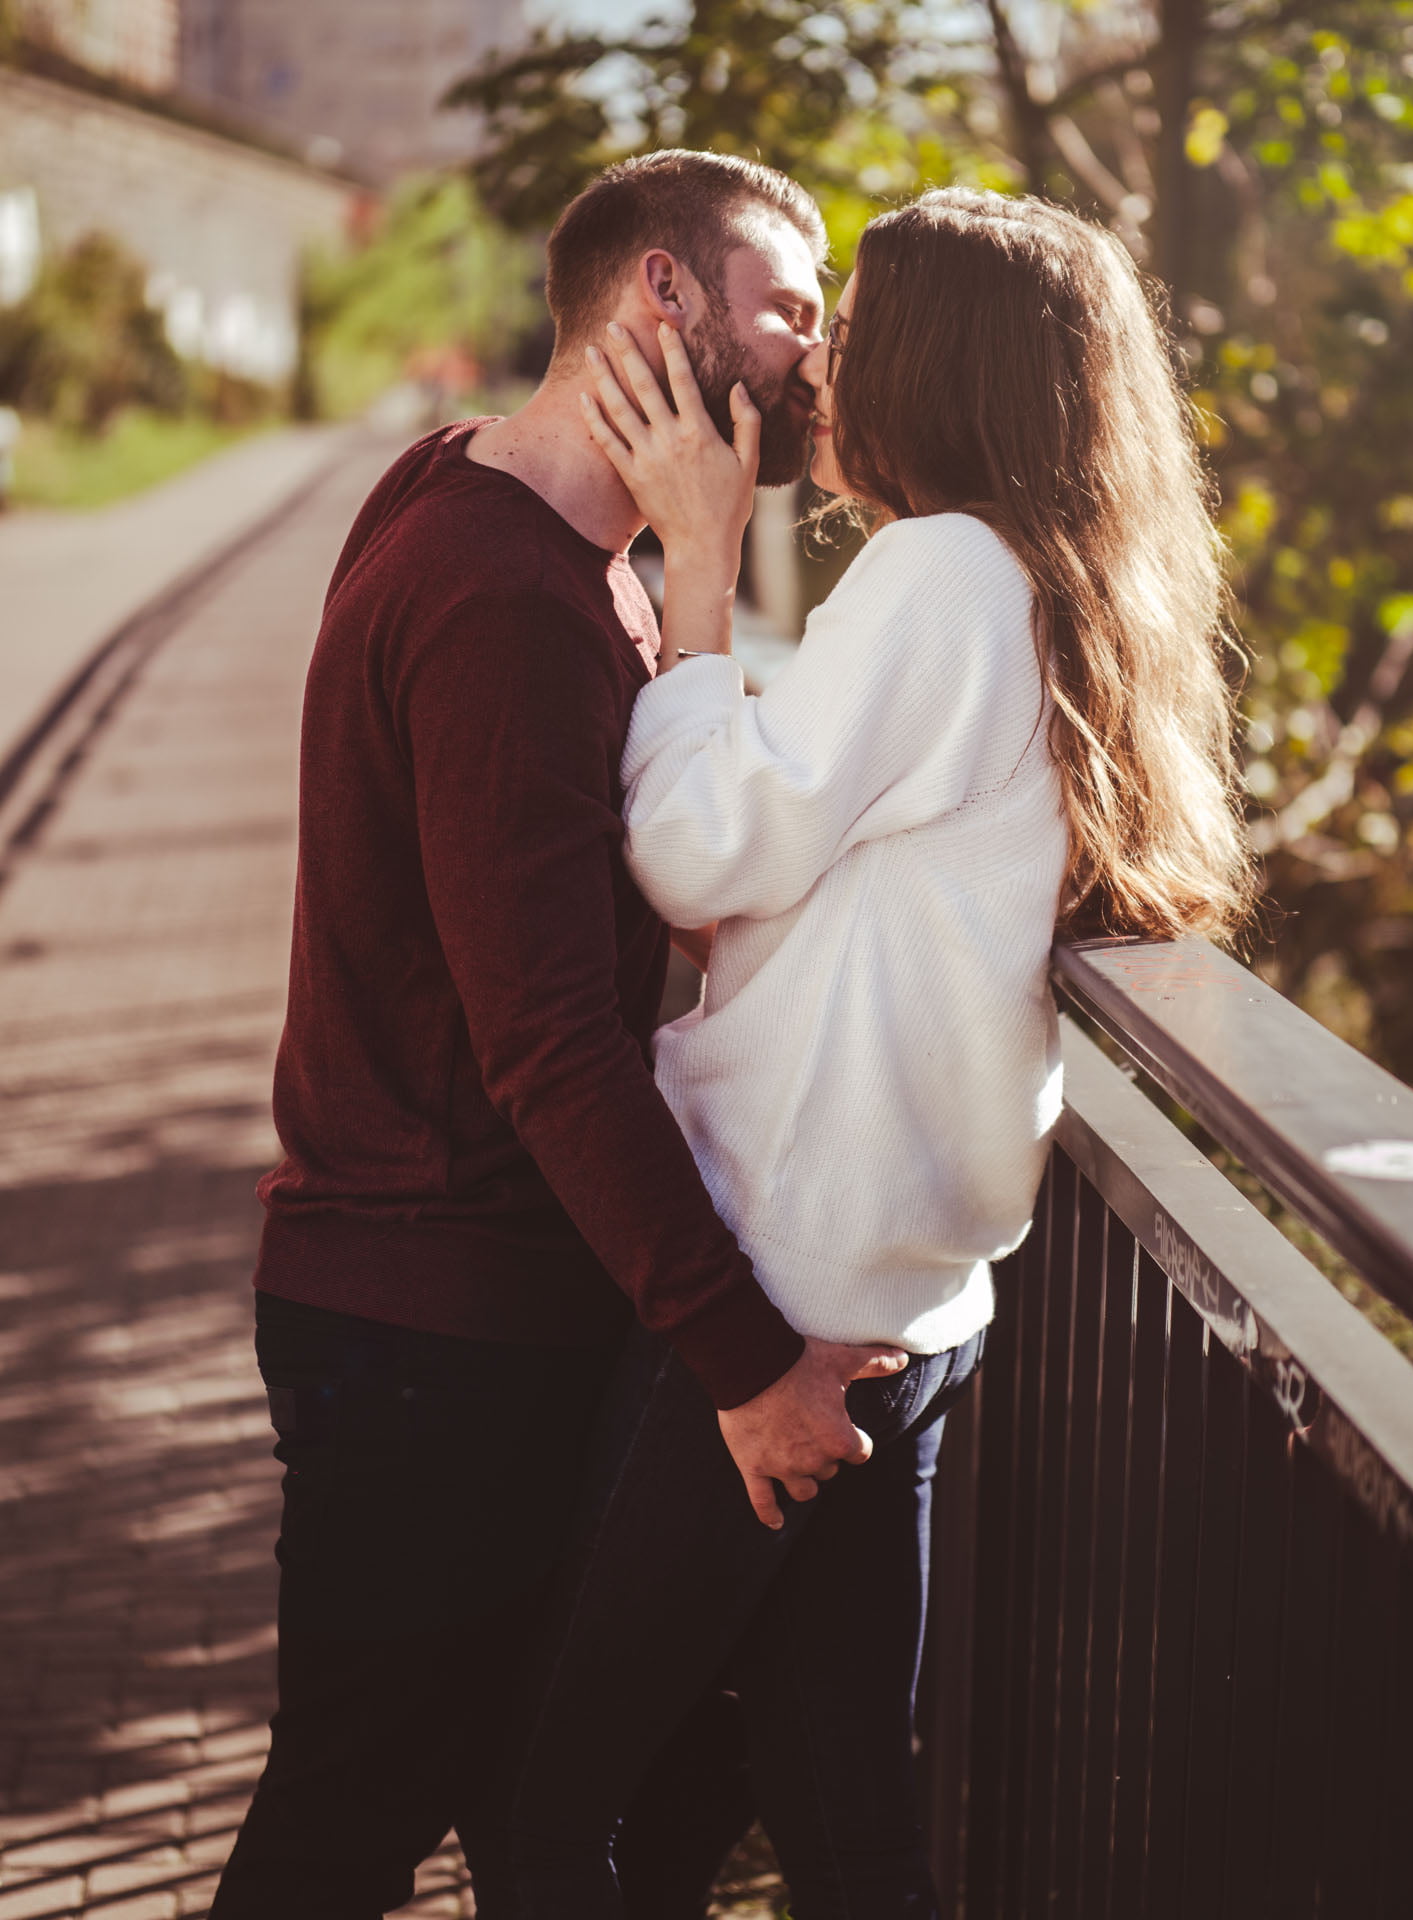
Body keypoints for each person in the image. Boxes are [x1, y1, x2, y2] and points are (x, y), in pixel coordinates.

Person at [508, 188, 1256, 1917]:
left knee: (550, 1803)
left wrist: (693, 572)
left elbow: (704, 847)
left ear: (938, 360)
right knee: (839, 1815)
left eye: (857, 321)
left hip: (783, 1289)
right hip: (915, 1303)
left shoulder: (939, 575)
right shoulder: (1059, 586)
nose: (819, 358)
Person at [209, 150, 913, 1920]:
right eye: (789, 300)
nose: (818, 347)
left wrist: (699, 563)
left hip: (458, 1303)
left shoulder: (473, 499)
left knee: (600, 1792)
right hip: (433, 1326)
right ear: (661, 302)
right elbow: (550, 1045)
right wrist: (749, 1363)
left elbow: (676, 885)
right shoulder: (509, 600)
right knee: (350, 1825)